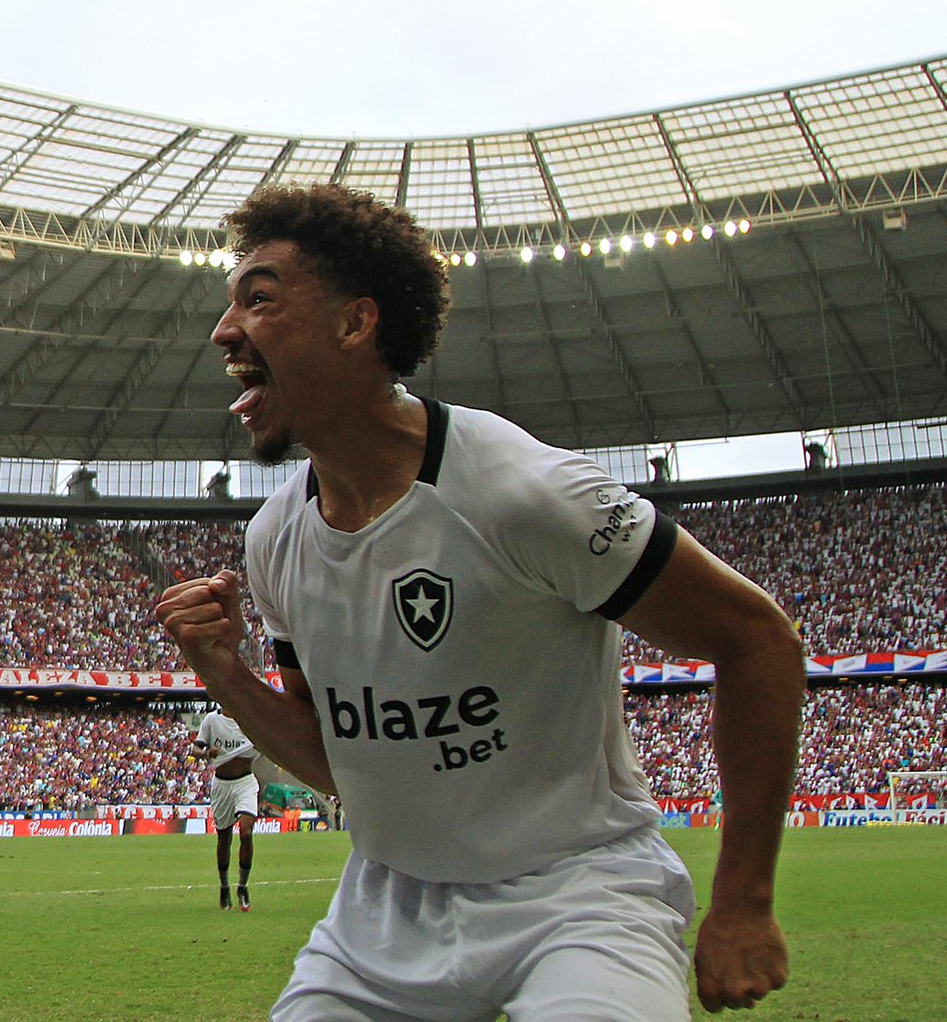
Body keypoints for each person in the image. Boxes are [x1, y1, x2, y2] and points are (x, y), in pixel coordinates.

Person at [155, 183, 805, 1020]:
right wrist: (224, 675)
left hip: (578, 898)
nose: (224, 329)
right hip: (384, 914)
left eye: (259, 299)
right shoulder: (274, 541)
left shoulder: (523, 492)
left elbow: (759, 642)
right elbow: (339, 764)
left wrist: (745, 902)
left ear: (357, 324)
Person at [192, 706, 257, 910]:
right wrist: (206, 753)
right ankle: (224, 887)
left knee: (246, 832)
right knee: (224, 838)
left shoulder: (249, 718)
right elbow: (195, 749)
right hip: (222, 785)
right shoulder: (212, 720)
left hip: (246, 782)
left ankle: (243, 887)